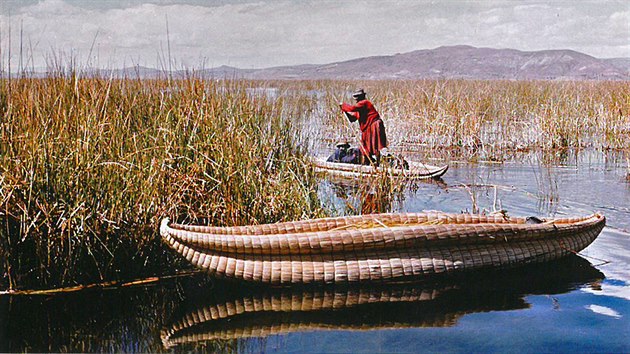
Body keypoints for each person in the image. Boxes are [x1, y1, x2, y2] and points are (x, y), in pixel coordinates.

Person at [339, 88, 387, 165]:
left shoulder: (365, 103)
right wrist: (345, 112)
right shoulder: (360, 108)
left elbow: (352, 108)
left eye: (358, 97)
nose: (356, 99)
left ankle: (377, 163)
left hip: (374, 126)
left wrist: (344, 106)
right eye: (356, 97)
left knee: (375, 145)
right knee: (365, 147)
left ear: (362, 97)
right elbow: (352, 119)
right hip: (367, 129)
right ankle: (368, 162)